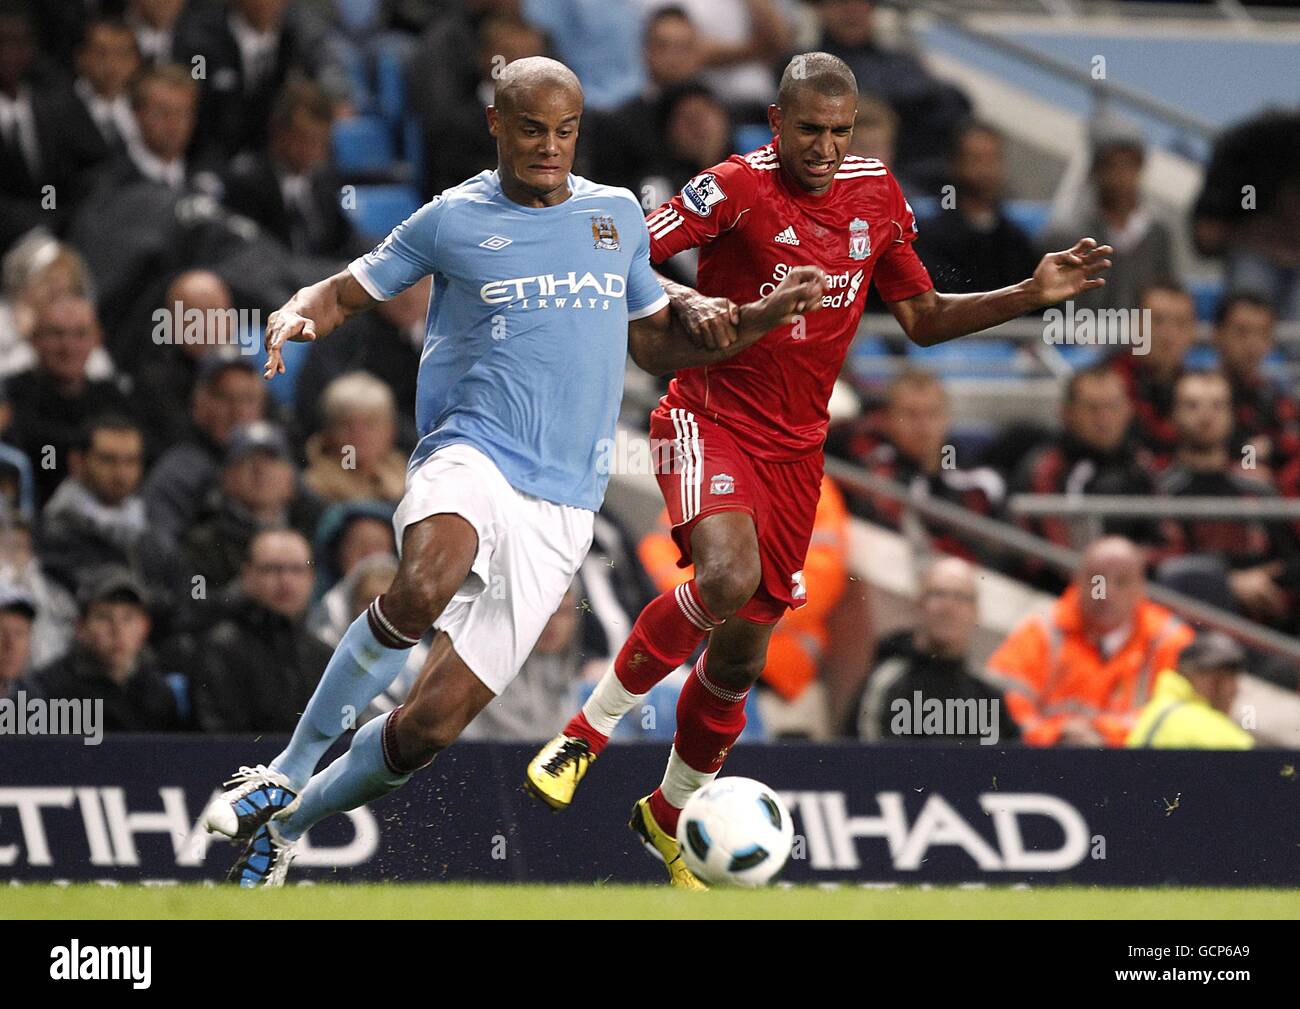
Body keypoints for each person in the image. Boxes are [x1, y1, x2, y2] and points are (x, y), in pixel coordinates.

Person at [198, 56, 825, 888]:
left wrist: (754, 319)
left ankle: (288, 824)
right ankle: (283, 765)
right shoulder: (451, 218)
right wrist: (295, 308)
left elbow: (656, 339)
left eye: (565, 131)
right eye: (532, 128)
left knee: (426, 728)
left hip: (562, 506)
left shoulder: (614, 218)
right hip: (472, 453)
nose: (549, 146)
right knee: (421, 586)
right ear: (498, 124)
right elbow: (347, 290)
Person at [528, 52, 1112, 886]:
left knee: (737, 660)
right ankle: (582, 736)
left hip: (799, 453)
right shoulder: (731, 186)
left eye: (841, 131)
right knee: (726, 575)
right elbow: (626, 253)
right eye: (810, 129)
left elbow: (920, 317)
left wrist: (1028, 291)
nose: (826, 148)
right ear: (777, 122)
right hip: (708, 415)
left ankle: (666, 814)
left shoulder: (876, 192)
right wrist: (690, 302)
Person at [985, 536, 1193, 747]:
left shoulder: (1169, 641)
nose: (1106, 593)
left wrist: (1103, 733)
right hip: (1050, 762)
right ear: (1078, 580)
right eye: (1097, 581)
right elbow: (1002, 708)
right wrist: (1056, 734)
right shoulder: (1043, 631)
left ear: (1140, 587)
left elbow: (1185, 720)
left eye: (1121, 581)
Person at [1153, 370, 1299, 627]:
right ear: (1173, 416)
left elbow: (1290, 556)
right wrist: (1228, 582)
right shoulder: (1159, 490)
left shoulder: (1258, 486)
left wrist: (1265, 579)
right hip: (1190, 627)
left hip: (1265, 622)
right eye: (1192, 405)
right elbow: (1160, 566)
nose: (1206, 415)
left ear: (1231, 415)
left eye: (1218, 405)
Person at [856, 556, 1016, 744]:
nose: (949, 606)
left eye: (961, 597)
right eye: (938, 594)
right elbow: (864, 757)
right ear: (919, 604)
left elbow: (1010, 762)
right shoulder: (886, 682)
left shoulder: (987, 694)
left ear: (976, 612)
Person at [191, 528, 332, 733]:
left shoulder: (323, 654)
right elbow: (218, 735)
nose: (286, 581)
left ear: (312, 578)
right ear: (248, 576)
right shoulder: (221, 648)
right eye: (272, 569)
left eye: (297, 569)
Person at [1011, 366, 1158, 558]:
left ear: (1129, 410)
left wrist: (1129, 563)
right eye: (1092, 408)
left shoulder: (1142, 463)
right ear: (1067, 413)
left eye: (1113, 406)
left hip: (1136, 580)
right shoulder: (1048, 468)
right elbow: (1052, 554)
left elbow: (1169, 541)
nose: (1104, 419)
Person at [29, 566, 181, 732]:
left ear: (144, 626)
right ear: (81, 628)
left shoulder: (159, 691)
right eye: (103, 617)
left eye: (128, 617)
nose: (117, 630)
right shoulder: (47, 691)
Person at [913, 121, 1040, 295]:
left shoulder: (1014, 240)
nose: (986, 170)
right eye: (976, 159)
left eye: (993, 159)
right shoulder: (929, 237)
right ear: (954, 164)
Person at [1107, 280, 1198, 469]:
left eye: (1180, 323)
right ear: (1134, 324)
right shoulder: (1108, 384)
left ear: (1192, 332)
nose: (1168, 334)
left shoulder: (1202, 391)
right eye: (1157, 321)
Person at [1211, 291, 1299, 477]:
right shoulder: (1194, 394)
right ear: (1217, 334)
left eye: (1261, 333)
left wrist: (1270, 449)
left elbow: (1291, 448)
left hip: (1265, 497)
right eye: (1242, 331)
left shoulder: (1276, 400)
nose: (1252, 343)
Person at [1126, 631, 1254, 750]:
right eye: (1225, 676)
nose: (1233, 689)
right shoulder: (1209, 729)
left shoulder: (1158, 706)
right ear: (1191, 674)